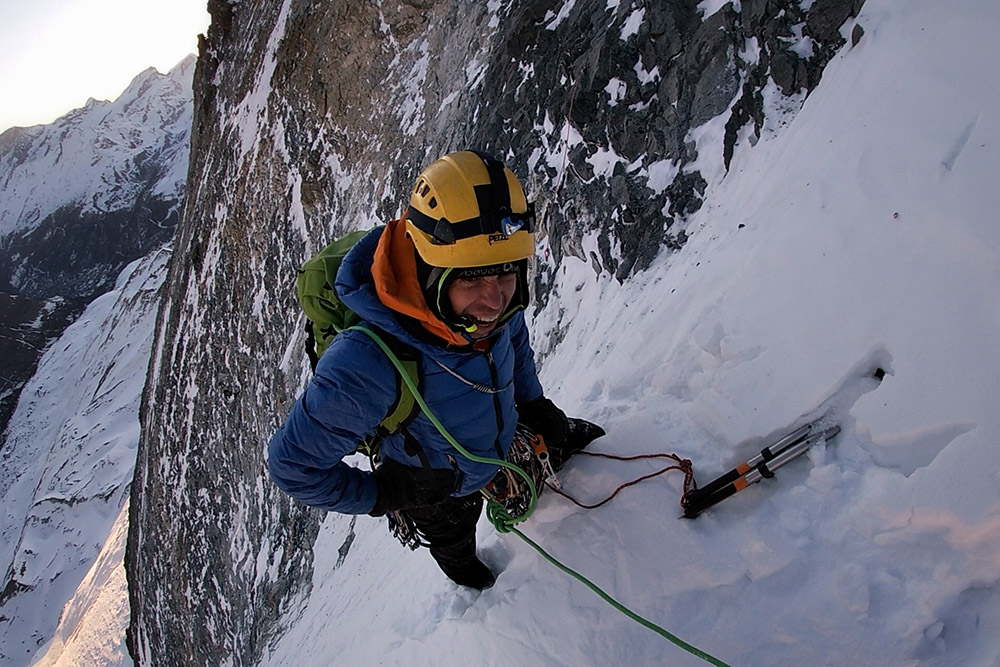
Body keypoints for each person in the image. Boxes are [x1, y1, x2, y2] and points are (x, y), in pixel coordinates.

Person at [267, 150, 575, 590]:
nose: (495, 301)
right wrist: (387, 494)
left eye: (507, 274)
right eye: (470, 281)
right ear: (428, 270)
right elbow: (292, 466)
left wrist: (533, 402)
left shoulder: (494, 305)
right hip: (432, 489)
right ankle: (469, 583)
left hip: (497, 444)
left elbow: (515, 342)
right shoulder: (366, 361)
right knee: (454, 541)